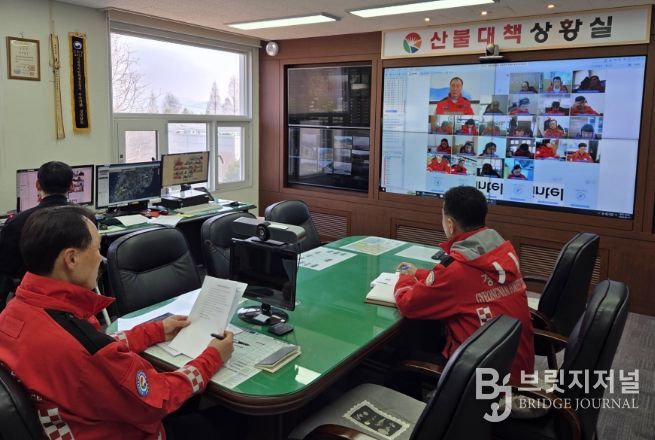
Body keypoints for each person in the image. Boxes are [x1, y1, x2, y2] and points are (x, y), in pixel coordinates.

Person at [0, 205, 236, 439]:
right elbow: (159, 398)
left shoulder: (14, 312)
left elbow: (92, 349)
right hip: (122, 430)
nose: (101, 259)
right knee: (233, 420)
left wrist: (155, 331)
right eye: (96, 248)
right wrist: (213, 357)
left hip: (71, 420)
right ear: (71, 258)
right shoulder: (84, 348)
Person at [394, 186, 534, 381]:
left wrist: (405, 277)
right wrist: (418, 273)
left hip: (479, 379)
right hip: (517, 368)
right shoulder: (504, 251)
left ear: (450, 224)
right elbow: (468, 283)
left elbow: (408, 304)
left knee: (396, 353)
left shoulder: (456, 269)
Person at [0, 161, 74, 308]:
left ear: (38, 185)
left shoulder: (17, 223)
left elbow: (5, 268)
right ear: (72, 186)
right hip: (73, 294)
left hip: (33, 299)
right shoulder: (86, 219)